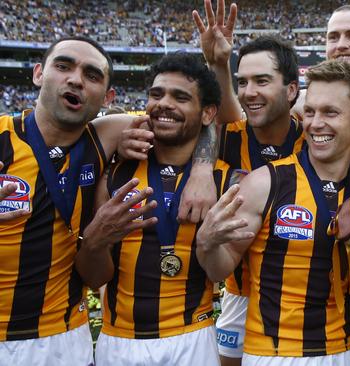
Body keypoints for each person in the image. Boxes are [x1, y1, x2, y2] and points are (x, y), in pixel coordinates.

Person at [0, 36, 215, 366]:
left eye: (92, 75)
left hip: (65, 340)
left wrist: (202, 167)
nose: (75, 79)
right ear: (38, 73)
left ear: (107, 96)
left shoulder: (105, 136)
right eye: (63, 66)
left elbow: (199, 121)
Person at [196, 60, 350, 366]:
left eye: (331, 112)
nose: (315, 123)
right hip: (273, 356)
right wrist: (206, 242)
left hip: (345, 352)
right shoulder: (264, 184)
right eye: (311, 111)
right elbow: (218, 269)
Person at [74, 52, 233, 365]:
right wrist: (94, 241)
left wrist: (208, 243)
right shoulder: (116, 172)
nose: (164, 104)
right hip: (118, 340)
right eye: (156, 94)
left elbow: (219, 272)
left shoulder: (224, 179)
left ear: (207, 113)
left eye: (181, 97)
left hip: (193, 337)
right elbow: (95, 279)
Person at [193, 3, 305, 364]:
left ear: (291, 90)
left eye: (262, 81)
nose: (249, 91)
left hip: (305, 295)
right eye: (242, 82)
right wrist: (217, 65)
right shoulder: (224, 139)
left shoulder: (317, 139)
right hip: (238, 293)